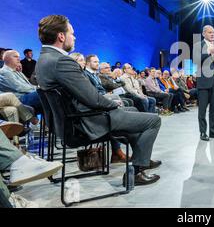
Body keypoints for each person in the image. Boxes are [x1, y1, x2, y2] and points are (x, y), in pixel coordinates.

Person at [35, 14, 162, 186]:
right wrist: (114, 103)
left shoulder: (44, 59)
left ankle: (141, 158)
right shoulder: (61, 61)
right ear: (61, 36)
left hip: (72, 120)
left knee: (132, 112)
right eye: (72, 33)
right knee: (153, 120)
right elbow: (92, 98)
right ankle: (138, 170)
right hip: (86, 122)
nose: (75, 37)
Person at [194, 25, 214, 141]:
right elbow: (195, 59)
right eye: (210, 32)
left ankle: (213, 131)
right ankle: (202, 132)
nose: (212, 34)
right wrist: (208, 53)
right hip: (204, 82)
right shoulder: (198, 45)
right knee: (202, 110)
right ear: (203, 33)